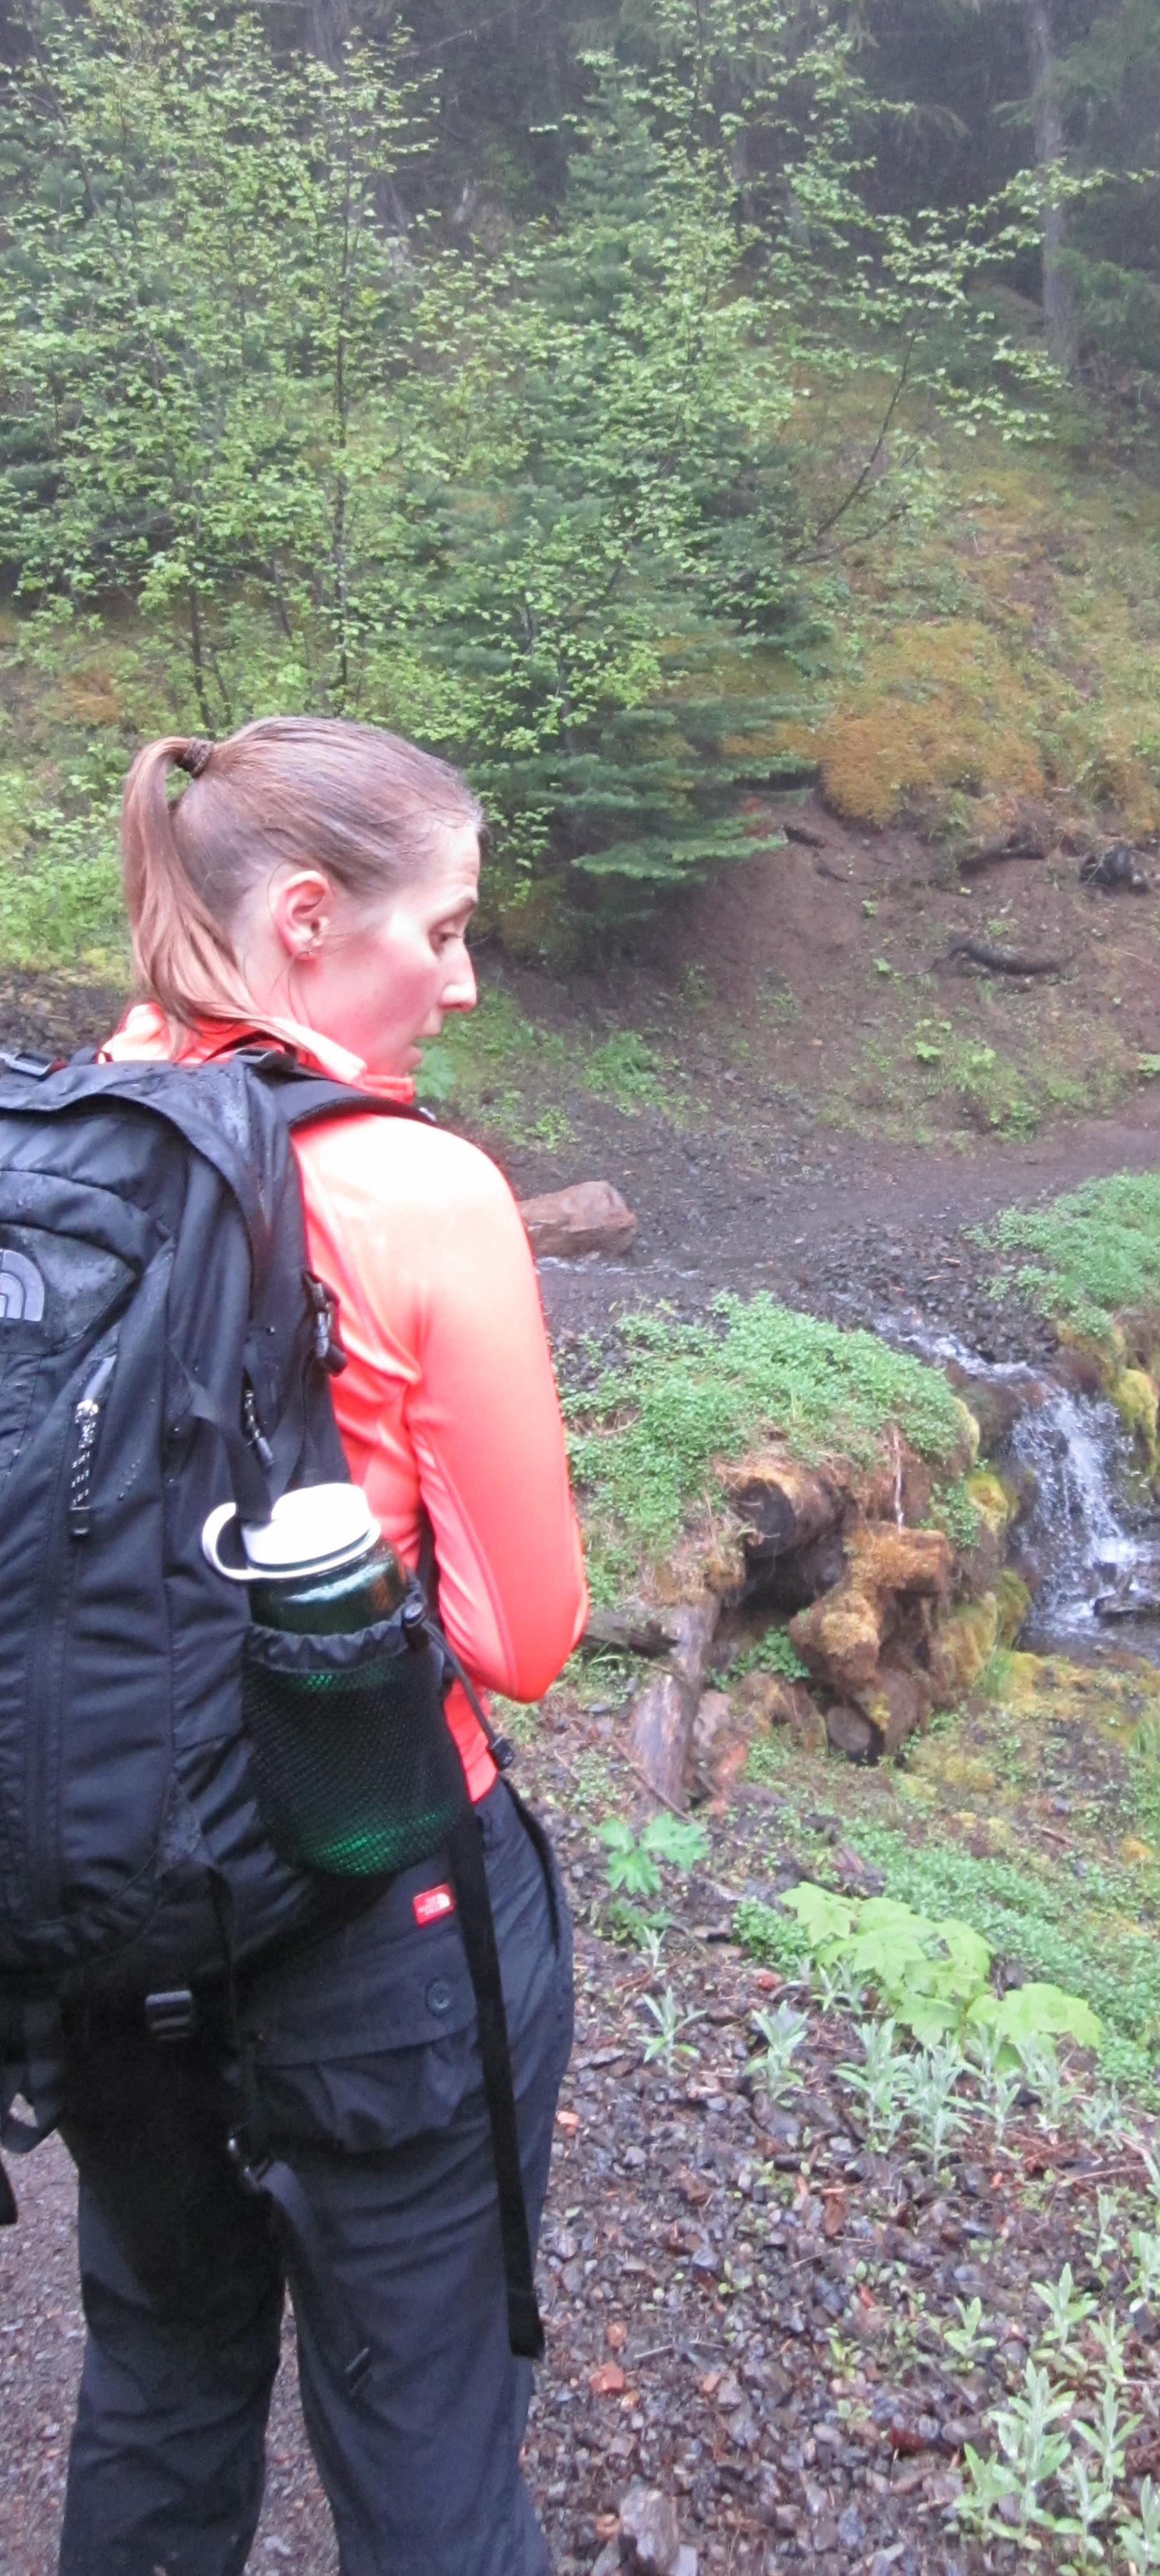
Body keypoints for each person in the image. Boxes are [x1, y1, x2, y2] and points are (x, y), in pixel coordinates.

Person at [55, 717, 586, 2576]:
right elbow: (523, 1636)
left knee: (157, 2382)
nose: (464, 979)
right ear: (304, 920)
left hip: (111, 1927)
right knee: (427, 2461)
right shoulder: (420, 1191)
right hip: (378, 1926)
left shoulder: (63, 1142)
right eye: (440, 930)